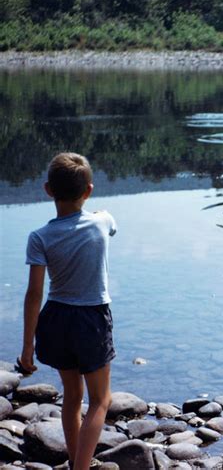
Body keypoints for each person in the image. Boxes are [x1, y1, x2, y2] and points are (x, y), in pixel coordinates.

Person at [20, 153, 117, 470]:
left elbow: (34, 294)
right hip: (90, 319)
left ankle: (77, 461)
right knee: (100, 400)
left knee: (72, 395)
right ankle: (81, 468)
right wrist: (98, 211)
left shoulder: (40, 237)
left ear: (48, 190)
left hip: (56, 319)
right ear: (88, 190)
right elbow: (108, 220)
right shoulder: (102, 221)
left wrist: (27, 346)